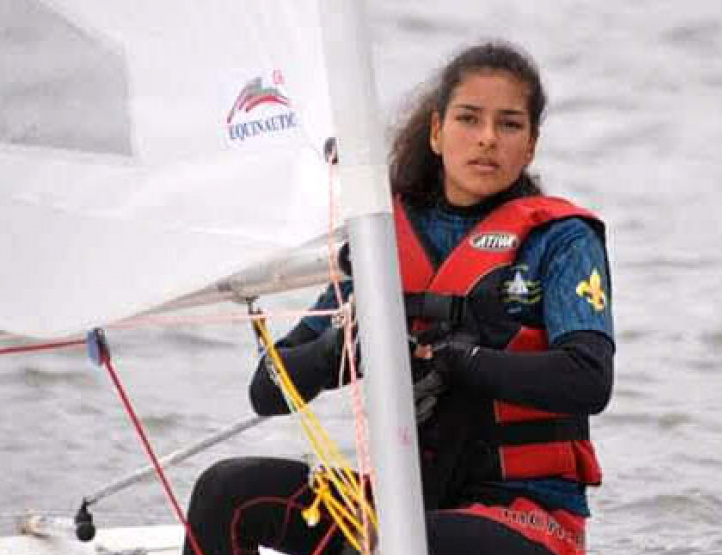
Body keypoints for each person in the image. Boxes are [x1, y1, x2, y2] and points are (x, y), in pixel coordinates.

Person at [183, 41, 614, 555]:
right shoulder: (383, 239)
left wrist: (461, 362)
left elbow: (590, 379)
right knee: (225, 492)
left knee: (390, 543)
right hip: (404, 506)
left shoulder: (561, 241)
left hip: (528, 518)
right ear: (436, 132)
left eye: (509, 124)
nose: (487, 138)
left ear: (531, 145)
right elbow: (266, 392)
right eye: (469, 119)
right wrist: (337, 350)